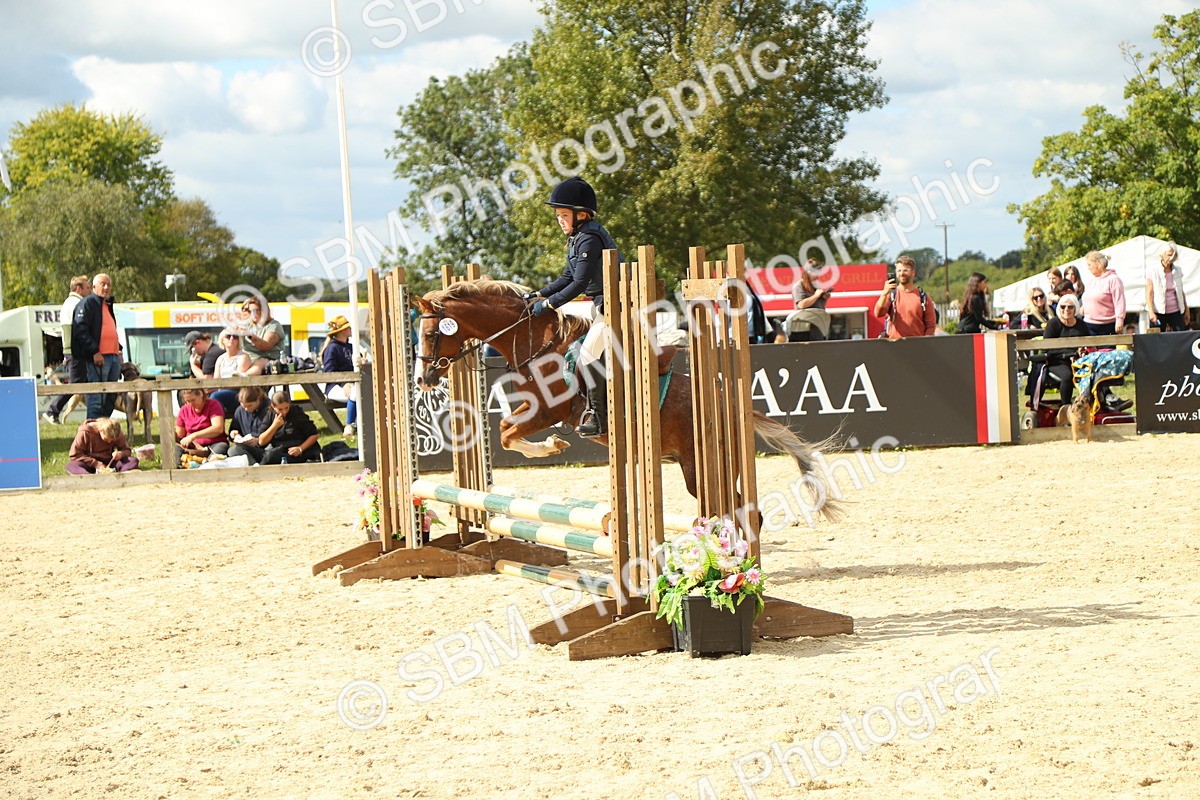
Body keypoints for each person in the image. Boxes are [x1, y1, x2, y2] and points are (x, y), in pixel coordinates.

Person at [522, 176, 619, 438]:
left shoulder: (589, 238)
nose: (560, 220)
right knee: (559, 322)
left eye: (564, 215)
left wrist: (549, 303)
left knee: (587, 355)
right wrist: (537, 294)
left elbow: (578, 284)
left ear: (582, 215)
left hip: (615, 306)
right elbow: (566, 277)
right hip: (598, 302)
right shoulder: (577, 238)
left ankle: (599, 418)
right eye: (558, 215)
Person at [72, 273, 122, 420]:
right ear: (94, 287)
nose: (106, 287)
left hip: (113, 356)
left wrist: (118, 350)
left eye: (108, 284)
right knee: (97, 397)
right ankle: (92, 431)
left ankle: (103, 428)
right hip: (99, 357)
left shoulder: (107, 305)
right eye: (103, 284)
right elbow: (80, 329)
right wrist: (94, 351)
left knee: (111, 396)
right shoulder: (87, 303)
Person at [43, 275, 92, 425]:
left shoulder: (69, 303)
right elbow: (80, 329)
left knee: (84, 383)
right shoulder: (77, 304)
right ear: (79, 288)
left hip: (72, 351)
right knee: (75, 384)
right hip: (77, 352)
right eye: (87, 287)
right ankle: (52, 410)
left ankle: (93, 415)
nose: (90, 290)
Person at [1041, 295, 1090, 404]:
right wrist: (1069, 352)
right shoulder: (1053, 323)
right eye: (1063, 307)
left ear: (1075, 308)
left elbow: (1089, 344)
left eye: (1070, 307)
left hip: (1079, 360)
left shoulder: (1081, 325)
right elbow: (1046, 349)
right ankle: (1066, 406)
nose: (1066, 310)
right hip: (1057, 361)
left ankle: (1099, 402)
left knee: (1094, 372)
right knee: (1067, 376)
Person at [873, 256, 936, 339]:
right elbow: (878, 313)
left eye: (905, 270)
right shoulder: (891, 295)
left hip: (918, 345)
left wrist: (925, 343)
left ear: (913, 272)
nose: (902, 273)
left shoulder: (923, 297)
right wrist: (884, 293)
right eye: (899, 270)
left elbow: (931, 326)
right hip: (895, 346)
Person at [209, 387, 273, 464]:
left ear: (258, 399)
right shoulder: (240, 410)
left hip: (266, 446)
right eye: (244, 406)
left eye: (250, 405)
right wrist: (234, 434)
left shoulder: (269, 410)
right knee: (233, 450)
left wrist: (258, 440)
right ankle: (254, 466)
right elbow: (233, 429)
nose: (246, 409)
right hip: (247, 447)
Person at [258, 391, 320, 464]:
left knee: (270, 457)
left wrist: (300, 449)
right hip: (279, 449)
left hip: (297, 452)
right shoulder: (270, 415)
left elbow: (314, 435)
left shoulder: (297, 414)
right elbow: (261, 441)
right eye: (280, 409)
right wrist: (274, 426)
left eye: (286, 408)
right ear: (273, 406)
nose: (284, 412)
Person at [185, 330, 237, 418]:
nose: (193, 352)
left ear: (197, 342)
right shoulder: (209, 353)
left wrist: (193, 366)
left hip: (227, 390)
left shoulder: (212, 354)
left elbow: (206, 380)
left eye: (192, 349)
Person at [66, 417, 138, 475]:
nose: (110, 442)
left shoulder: (116, 431)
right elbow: (74, 455)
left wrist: (121, 454)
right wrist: (96, 464)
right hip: (89, 463)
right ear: (100, 430)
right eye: (107, 439)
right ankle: (88, 477)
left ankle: (121, 475)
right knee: (72, 466)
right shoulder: (84, 432)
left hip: (109, 461)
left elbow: (126, 450)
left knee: (132, 460)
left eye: (112, 441)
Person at [237, 297, 286, 375]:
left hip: (268, 361)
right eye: (250, 311)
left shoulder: (274, 325)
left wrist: (249, 335)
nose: (253, 314)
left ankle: (244, 378)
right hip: (249, 359)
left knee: (261, 362)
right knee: (242, 358)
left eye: (256, 310)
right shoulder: (247, 324)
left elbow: (265, 345)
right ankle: (236, 381)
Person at [1146, 244, 1190, 332]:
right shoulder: (1153, 271)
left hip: (1176, 311)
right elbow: (1149, 293)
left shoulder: (1178, 270)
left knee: (1180, 337)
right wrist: (1151, 312)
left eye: (1174, 255)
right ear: (1162, 255)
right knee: (1157, 338)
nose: (1171, 258)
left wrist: (1186, 309)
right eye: (1169, 255)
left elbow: (1181, 292)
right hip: (1159, 311)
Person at [1081, 251, 1126, 335]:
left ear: (1098, 263)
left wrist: (1120, 319)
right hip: (1089, 323)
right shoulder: (1091, 281)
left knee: (1108, 348)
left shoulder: (1113, 279)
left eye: (1089, 265)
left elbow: (1119, 301)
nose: (1088, 268)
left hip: (1107, 325)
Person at [175, 387, 227, 459]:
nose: (191, 404)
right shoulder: (184, 410)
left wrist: (193, 436)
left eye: (193, 400)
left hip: (214, 443)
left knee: (218, 452)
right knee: (175, 450)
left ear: (201, 394)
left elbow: (218, 429)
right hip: (192, 446)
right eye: (187, 401)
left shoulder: (213, 405)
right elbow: (180, 434)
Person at [788, 259, 833, 341]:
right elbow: (801, 305)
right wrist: (816, 296)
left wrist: (824, 299)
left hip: (818, 326)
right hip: (803, 328)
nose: (817, 276)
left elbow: (818, 307)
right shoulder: (799, 286)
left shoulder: (816, 285)